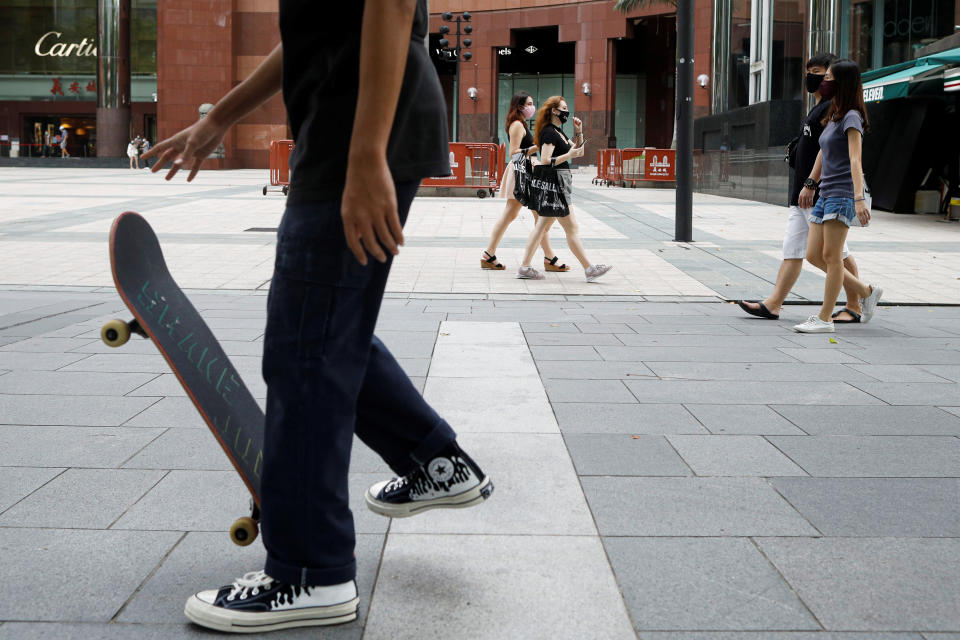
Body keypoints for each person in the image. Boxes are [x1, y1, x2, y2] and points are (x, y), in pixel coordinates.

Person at [143, 1, 493, 633]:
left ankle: (310, 572)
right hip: (350, 127)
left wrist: (366, 156)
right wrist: (219, 117)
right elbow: (316, 32)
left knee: (305, 351)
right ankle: (433, 461)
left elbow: (387, 7)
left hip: (353, 131)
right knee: (329, 328)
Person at [737, 53, 864, 323]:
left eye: (821, 72)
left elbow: (850, 158)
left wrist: (851, 195)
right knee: (795, 251)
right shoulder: (823, 109)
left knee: (837, 254)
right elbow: (819, 151)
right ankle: (773, 304)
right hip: (803, 193)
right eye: (812, 72)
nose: (814, 77)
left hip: (824, 194)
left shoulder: (841, 112)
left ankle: (856, 302)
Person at [794, 59, 882, 333]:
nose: (824, 82)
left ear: (842, 83)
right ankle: (867, 291)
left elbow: (856, 160)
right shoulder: (834, 113)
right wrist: (811, 181)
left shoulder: (852, 115)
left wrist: (858, 200)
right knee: (813, 255)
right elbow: (822, 151)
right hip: (825, 193)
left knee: (832, 258)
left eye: (829, 77)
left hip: (842, 195)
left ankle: (824, 318)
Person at [516, 96, 612, 282]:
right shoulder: (549, 133)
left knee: (543, 227)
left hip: (559, 183)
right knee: (569, 228)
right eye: (564, 108)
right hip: (555, 185)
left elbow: (579, 151)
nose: (567, 112)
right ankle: (589, 269)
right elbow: (544, 160)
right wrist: (568, 154)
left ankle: (525, 267)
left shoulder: (558, 132)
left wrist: (579, 132)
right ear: (554, 110)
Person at [481, 91, 569, 272]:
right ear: (520, 106)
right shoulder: (516, 125)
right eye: (528, 104)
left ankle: (548, 257)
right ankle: (490, 254)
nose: (532, 107)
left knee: (536, 216)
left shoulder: (521, 124)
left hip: (527, 172)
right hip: (521, 172)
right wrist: (539, 146)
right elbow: (514, 152)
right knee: (518, 215)